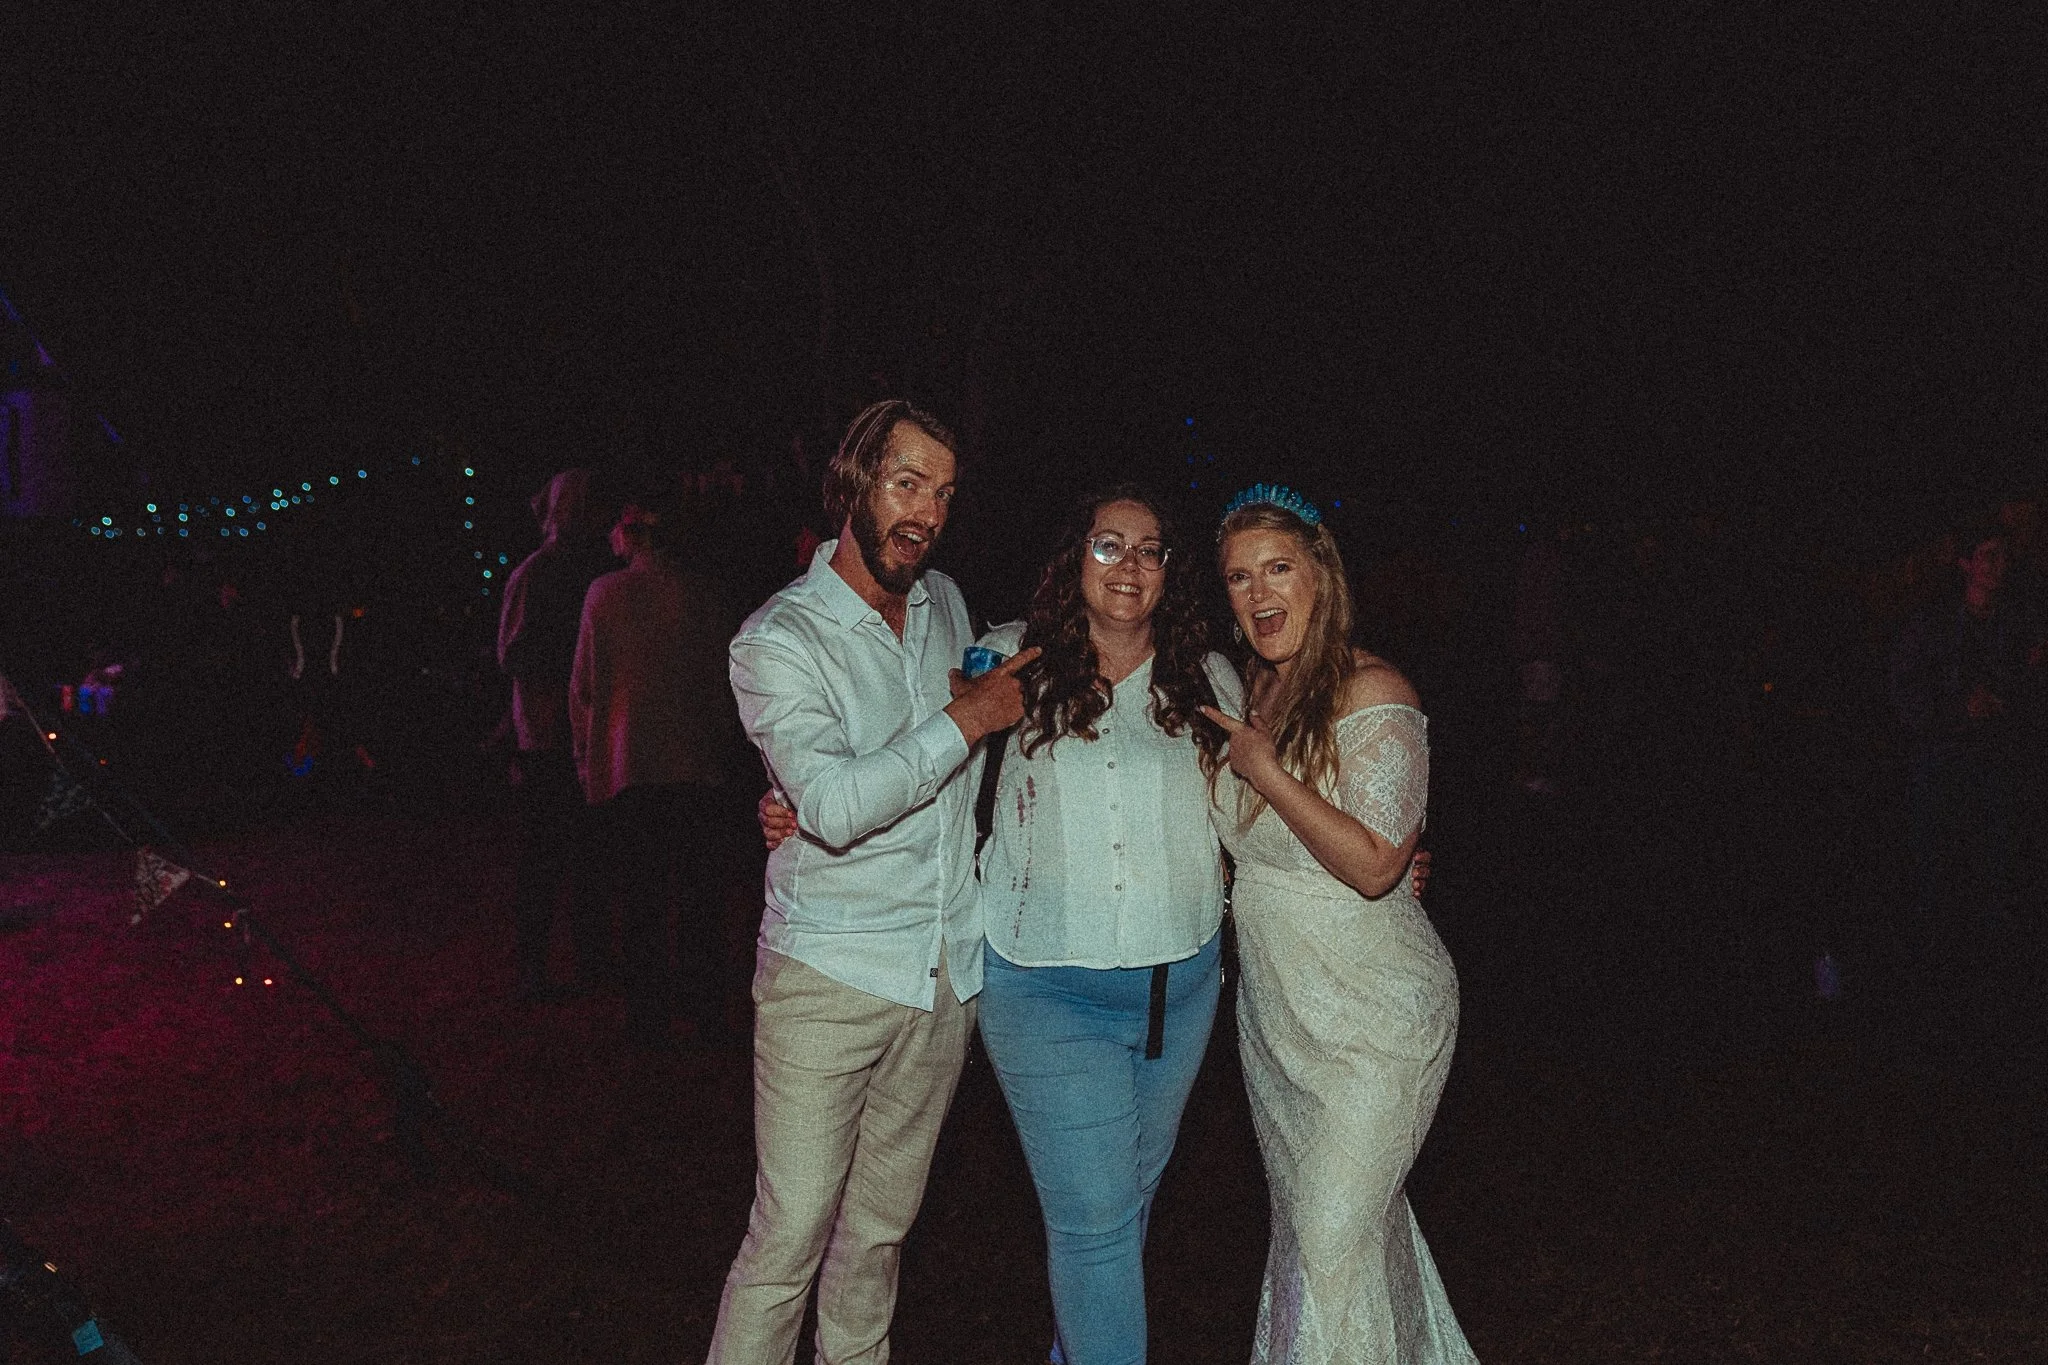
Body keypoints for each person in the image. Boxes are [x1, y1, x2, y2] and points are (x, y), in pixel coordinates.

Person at [709, 399, 1038, 1364]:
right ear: (851, 484)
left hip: (942, 975)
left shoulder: (947, 606)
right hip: (830, 975)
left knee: (879, 1238)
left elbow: (1000, 668)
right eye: (906, 483)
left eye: (942, 492)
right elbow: (840, 802)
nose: (926, 513)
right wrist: (968, 719)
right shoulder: (778, 637)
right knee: (789, 1237)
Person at [1200, 485, 1475, 1365]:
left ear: (1321, 573)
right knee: (1341, 1247)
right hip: (1282, 1023)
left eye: (1278, 567)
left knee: (1325, 1242)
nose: (1257, 592)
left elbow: (1376, 863)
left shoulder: (1374, 687)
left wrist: (1264, 769)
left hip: (1377, 1020)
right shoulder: (1245, 691)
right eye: (1239, 576)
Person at [970, 486, 1237, 1365]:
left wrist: (1382, 847)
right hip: (1045, 989)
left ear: (1171, 570)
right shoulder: (1007, 657)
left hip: (1181, 992)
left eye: (1150, 549)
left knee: (1116, 1218)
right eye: (1108, 545)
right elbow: (911, 744)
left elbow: (1260, 809)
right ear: (1072, 558)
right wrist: (789, 798)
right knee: (1094, 1224)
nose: (1130, 566)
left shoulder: (1210, 677)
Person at [569, 492, 739, 1049]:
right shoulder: (701, 593)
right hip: (694, 759)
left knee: (642, 893)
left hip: (632, 761)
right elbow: (722, 681)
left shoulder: (605, 594)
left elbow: (586, 684)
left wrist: (585, 756)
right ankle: (702, 1002)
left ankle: (648, 1011)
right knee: (696, 893)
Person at [498, 468, 614, 1003]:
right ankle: (535, 967)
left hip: (588, 740)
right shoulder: (538, 574)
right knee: (545, 862)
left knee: (591, 859)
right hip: (549, 739)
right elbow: (514, 655)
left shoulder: (598, 572)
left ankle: (589, 963)